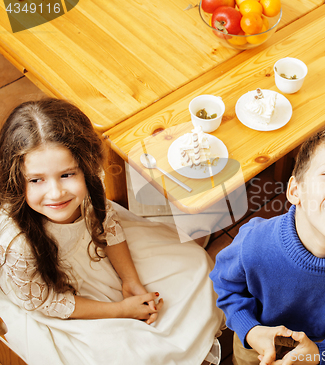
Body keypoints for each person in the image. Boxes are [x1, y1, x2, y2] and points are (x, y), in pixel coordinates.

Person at [0, 98, 224, 365]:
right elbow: (47, 301)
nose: (56, 193)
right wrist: (120, 310)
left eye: (67, 175)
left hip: (94, 249)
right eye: (36, 180)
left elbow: (106, 225)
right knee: (125, 353)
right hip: (56, 291)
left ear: (85, 166)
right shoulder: (17, 243)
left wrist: (131, 281)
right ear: (16, 179)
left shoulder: (88, 188)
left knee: (196, 265)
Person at [210, 126, 325, 365]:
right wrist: (250, 330)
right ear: (295, 190)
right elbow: (225, 284)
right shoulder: (254, 242)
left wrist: (320, 353)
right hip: (253, 344)